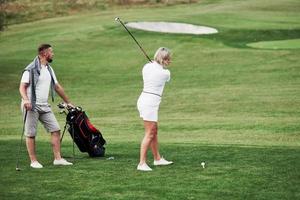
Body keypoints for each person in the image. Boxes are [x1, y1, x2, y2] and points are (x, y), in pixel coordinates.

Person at [19, 44, 73, 169]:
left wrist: (68, 102)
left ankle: (58, 159)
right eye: (51, 52)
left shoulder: (49, 69)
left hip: (44, 105)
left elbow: (57, 87)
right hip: (31, 105)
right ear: (44, 53)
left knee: (55, 130)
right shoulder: (31, 69)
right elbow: (22, 87)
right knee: (31, 133)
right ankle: (33, 161)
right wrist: (26, 100)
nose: (53, 54)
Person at [137, 47, 173, 171]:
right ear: (163, 59)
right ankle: (141, 163)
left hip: (145, 100)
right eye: (168, 59)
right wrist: (156, 66)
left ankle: (157, 159)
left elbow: (151, 67)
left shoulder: (146, 67)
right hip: (149, 104)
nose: (170, 61)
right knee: (150, 133)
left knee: (154, 130)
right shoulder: (165, 73)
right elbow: (164, 76)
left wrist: (153, 64)